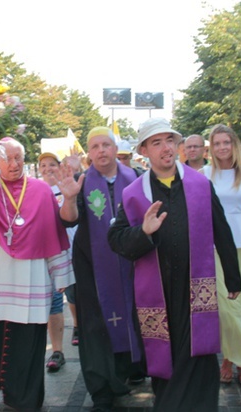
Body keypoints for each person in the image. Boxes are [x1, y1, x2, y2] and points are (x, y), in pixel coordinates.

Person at [106, 118, 241, 411]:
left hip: (196, 288)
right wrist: (143, 232)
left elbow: (221, 228)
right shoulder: (134, 194)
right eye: (157, 142)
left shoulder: (200, 184)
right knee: (165, 362)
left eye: (170, 140)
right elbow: (116, 240)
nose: (166, 148)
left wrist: (233, 276)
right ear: (144, 150)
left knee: (200, 357)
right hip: (158, 294)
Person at [0, 137, 74, 410]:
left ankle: (29, 399)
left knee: (29, 344)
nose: (14, 164)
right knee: (0, 339)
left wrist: (60, 275)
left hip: (31, 278)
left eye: (18, 158)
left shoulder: (41, 189)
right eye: (7, 159)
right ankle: (6, 394)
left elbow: (53, 233)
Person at [58, 127, 145, 411]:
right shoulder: (81, 181)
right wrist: (69, 198)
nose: (101, 151)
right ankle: (101, 389)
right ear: (89, 152)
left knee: (132, 315)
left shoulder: (136, 179)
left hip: (132, 263)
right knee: (95, 326)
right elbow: (69, 220)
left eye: (106, 144)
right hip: (92, 265)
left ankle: (130, 368)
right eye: (94, 146)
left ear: (115, 147)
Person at [201, 125, 241, 386]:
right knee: (225, 307)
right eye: (217, 143)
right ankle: (229, 356)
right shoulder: (203, 175)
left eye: (227, 142)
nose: (222, 147)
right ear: (211, 148)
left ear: (234, 145)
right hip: (216, 249)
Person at [38, 151, 79, 369]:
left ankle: (79, 327)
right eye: (43, 165)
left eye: (51, 164)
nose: (47, 169)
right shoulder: (35, 190)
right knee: (54, 303)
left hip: (72, 251)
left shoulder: (66, 186)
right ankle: (56, 351)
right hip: (48, 256)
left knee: (75, 295)